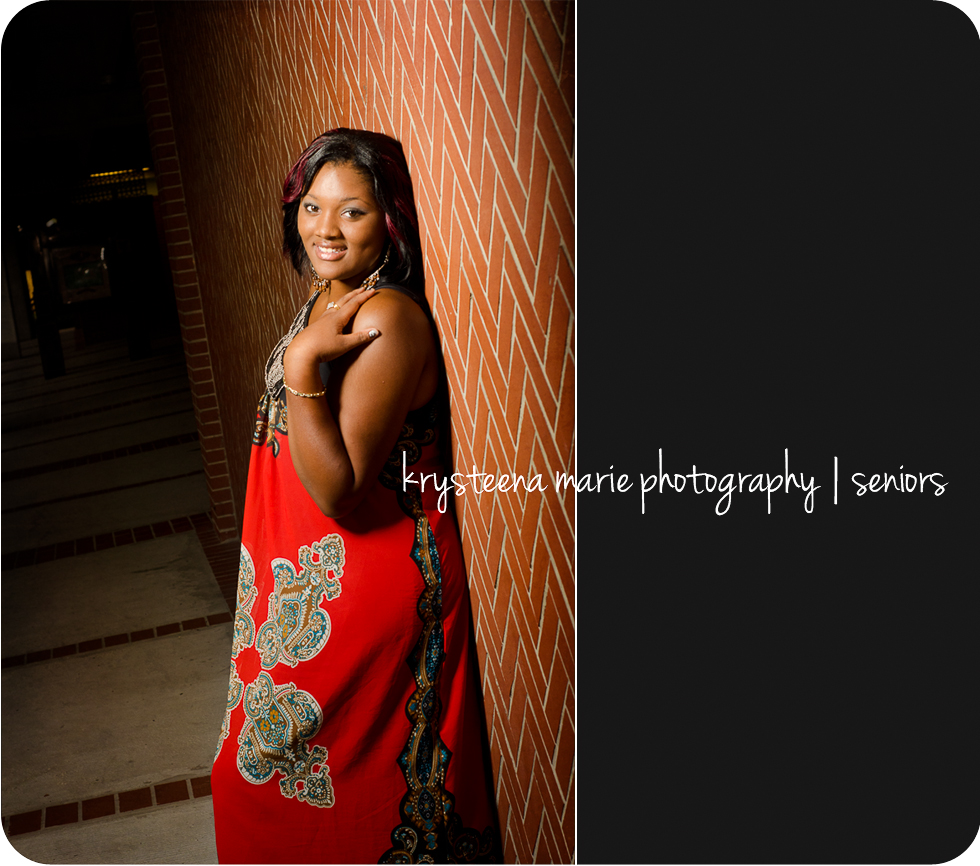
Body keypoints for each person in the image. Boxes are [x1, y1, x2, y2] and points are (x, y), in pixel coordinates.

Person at [210, 129, 499, 863]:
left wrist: (305, 368)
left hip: (362, 581)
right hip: (299, 576)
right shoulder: (331, 295)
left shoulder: (388, 320)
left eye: (353, 212)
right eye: (313, 207)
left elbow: (340, 489)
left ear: (390, 221)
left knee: (296, 779)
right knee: (261, 777)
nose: (325, 230)